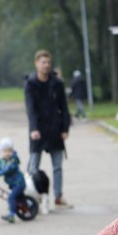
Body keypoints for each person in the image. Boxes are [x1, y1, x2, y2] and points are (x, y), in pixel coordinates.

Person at [24, 50, 71, 208]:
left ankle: (58, 197)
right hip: (37, 130)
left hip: (55, 129)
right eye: (43, 62)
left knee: (57, 166)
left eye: (48, 63)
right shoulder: (30, 84)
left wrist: (65, 128)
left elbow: (64, 107)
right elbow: (30, 109)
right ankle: (32, 196)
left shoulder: (57, 83)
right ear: (36, 64)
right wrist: (33, 129)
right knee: (33, 167)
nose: (46, 65)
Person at [0, 137, 25, 224]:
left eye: (7, 151)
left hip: (19, 183)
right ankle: (13, 208)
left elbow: (8, 169)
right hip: (12, 184)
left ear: (11, 150)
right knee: (14, 198)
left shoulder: (13, 159)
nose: (5, 153)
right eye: (3, 151)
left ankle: (12, 215)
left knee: (11, 197)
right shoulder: (3, 160)